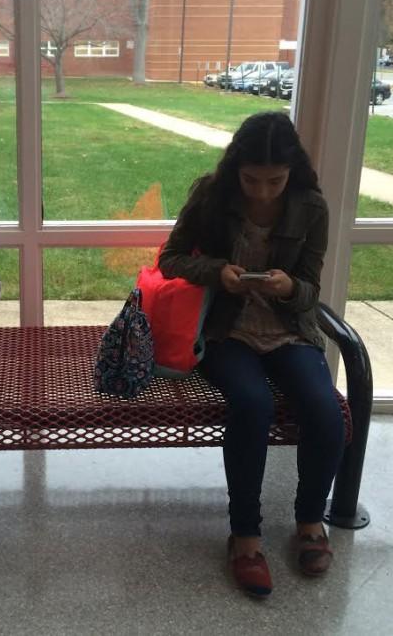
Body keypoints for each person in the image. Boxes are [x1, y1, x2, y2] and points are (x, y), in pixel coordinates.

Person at [159, 112, 344, 598]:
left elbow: (310, 289)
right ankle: (245, 535)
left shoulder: (312, 207)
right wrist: (218, 272)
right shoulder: (212, 196)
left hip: (287, 330)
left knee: (325, 409)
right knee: (251, 404)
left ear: (292, 172)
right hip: (226, 331)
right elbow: (170, 258)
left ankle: (310, 522)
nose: (262, 192)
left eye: (275, 181)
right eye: (251, 180)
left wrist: (288, 288)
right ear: (235, 169)